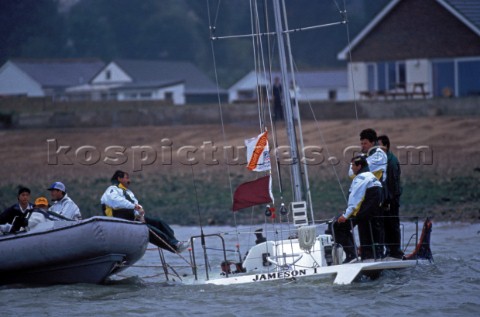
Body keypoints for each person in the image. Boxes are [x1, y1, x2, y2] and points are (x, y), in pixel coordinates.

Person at [100, 170, 189, 253]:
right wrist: (135, 206)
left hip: (132, 220)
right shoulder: (112, 190)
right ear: (119, 178)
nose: (129, 180)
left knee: (159, 223)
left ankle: (176, 243)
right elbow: (116, 202)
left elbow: (137, 205)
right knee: (148, 228)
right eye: (127, 178)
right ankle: (174, 247)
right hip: (118, 222)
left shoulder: (129, 193)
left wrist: (140, 214)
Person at [333, 155, 384, 263]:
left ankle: (352, 254)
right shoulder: (372, 177)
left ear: (359, 166)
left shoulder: (360, 178)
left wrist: (345, 216)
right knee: (367, 228)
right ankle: (374, 254)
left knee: (337, 225)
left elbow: (355, 199)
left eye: (352, 165)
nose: (351, 168)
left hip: (363, 213)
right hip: (373, 214)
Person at [378, 134, 403, 258]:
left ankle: (395, 250)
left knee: (392, 224)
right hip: (387, 197)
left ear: (386, 146)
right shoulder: (384, 160)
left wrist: (388, 200)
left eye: (380, 146)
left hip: (391, 199)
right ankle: (390, 249)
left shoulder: (391, 161)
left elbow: (392, 183)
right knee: (387, 224)